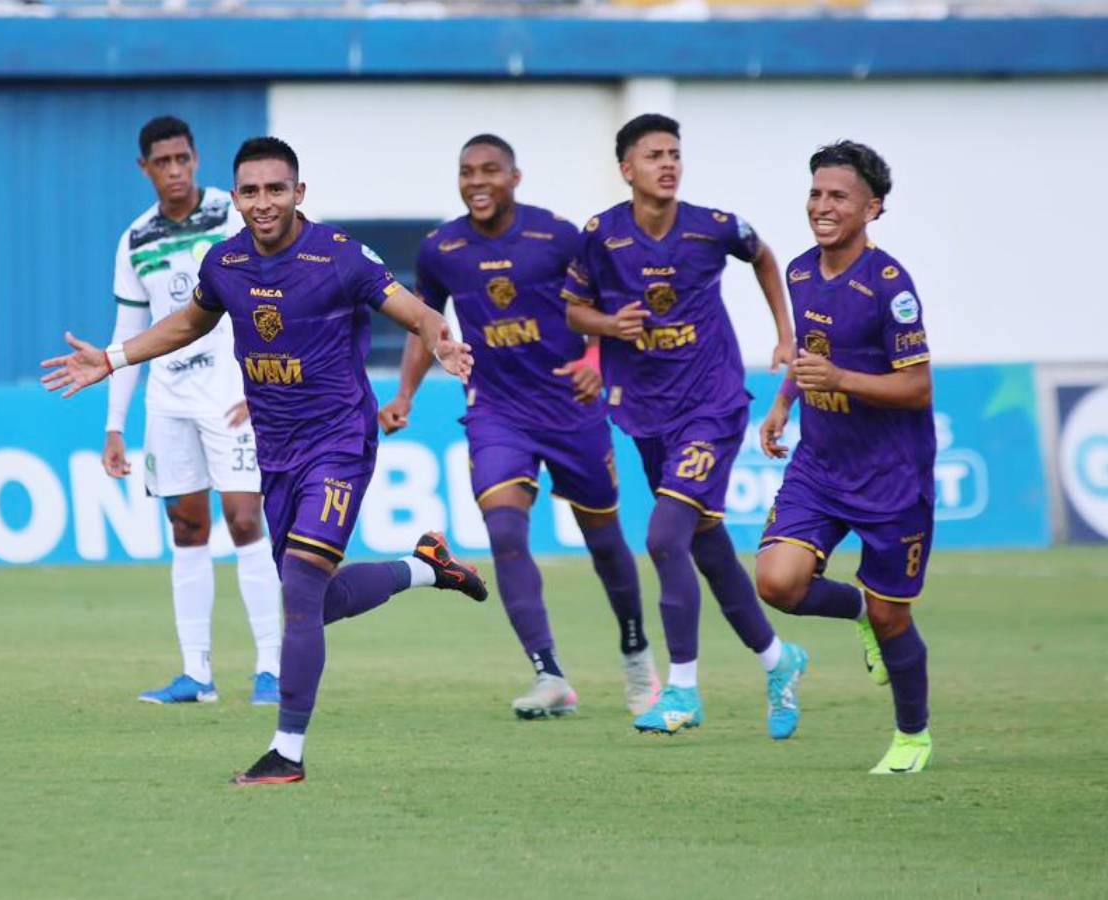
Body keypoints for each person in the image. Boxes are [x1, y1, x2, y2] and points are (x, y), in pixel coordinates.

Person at [43, 136, 487, 785]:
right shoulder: (224, 262)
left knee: (301, 588)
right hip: (275, 451)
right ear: (238, 196)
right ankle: (426, 569)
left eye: (275, 189)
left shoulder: (338, 258)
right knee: (315, 597)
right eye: (250, 190)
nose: (262, 202)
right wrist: (113, 359)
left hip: (339, 442)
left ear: (298, 193)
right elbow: (191, 323)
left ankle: (287, 751)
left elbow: (416, 311)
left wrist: (440, 344)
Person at [378, 134, 659, 720]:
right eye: (466, 172)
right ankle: (549, 673)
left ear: (515, 177)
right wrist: (404, 393)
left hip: (570, 408)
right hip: (496, 410)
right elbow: (424, 324)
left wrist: (594, 363)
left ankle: (636, 653)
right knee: (505, 532)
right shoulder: (441, 247)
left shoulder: (555, 236)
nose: (477, 181)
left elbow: (610, 307)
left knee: (604, 540)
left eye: (490, 171)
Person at [562, 114, 807, 739]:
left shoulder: (714, 226)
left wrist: (785, 333)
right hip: (645, 411)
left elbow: (764, 256)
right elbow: (572, 309)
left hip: (712, 406)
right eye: (654, 155)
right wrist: (610, 326)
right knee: (707, 546)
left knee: (665, 536)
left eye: (674, 153)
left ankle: (683, 690)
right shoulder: (602, 236)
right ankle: (780, 660)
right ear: (627, 169)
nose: (668, 164)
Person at [755, 140, 935, 774]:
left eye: (838, 197)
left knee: (895, 619)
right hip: (821, 464)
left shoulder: (891, 287)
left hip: (891, 476)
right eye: (816, 194)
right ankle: (855, 609)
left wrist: (841, 381)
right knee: (776, 583)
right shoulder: (800, 272)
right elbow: (812, 355)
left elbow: (917, 388)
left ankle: (912, 736)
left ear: (872, 208)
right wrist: (783, 403)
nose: (822, 206)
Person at [107, 116, 282, 706]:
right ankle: (197, 675)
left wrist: (262, 381)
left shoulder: (232, 214)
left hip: (234, 396)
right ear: (145, 169)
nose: (176, 171)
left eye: (184, 159)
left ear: (196, 158)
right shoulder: (135, 240)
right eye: (164, 162)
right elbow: (130, 331)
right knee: (187, 528)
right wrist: (114, 426)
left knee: (243, 519)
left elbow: (269, 296)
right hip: (169, 402)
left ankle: (271, 669)